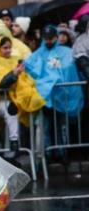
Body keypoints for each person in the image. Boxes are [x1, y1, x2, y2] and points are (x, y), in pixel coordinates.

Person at [25, 26, 84, 155]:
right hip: (43, 99)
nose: (48, 41)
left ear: (56, 37)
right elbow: (30, 70)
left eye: (51, 38)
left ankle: (62, 154)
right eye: (46, 38)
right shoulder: (37, 54)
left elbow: (69, 70)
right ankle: (45, 155)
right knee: (44, 127)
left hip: (62, 96)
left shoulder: (66, 52)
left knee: (61, 126)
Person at [0, 37, 45, 152]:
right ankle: (13, 141)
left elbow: (27, 78)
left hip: (17, 97)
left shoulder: (16, 60)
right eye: (5, 48)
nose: (8, 50)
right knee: (11, 110)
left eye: (10, 47)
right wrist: (14, 74)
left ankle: (13, 154)